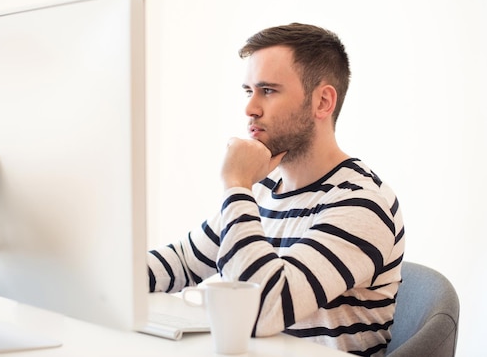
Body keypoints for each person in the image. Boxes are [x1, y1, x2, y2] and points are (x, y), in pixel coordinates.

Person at [147, 23, 405, 356]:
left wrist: (236, 184)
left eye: (267, 90)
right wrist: (107, 282)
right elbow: (182, 263)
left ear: (323, 102)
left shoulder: (362, 203)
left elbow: (264, 309)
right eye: (248, 91)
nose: (250, 108)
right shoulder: (263, 190)